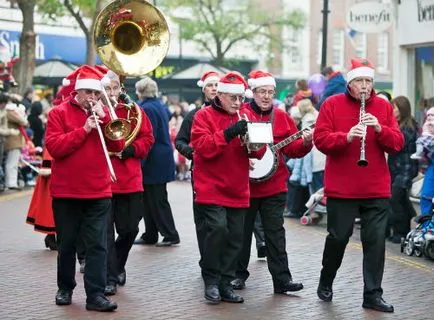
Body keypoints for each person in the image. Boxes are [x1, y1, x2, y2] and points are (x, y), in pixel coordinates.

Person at [314, 58, 404, 313]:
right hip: (343, 187)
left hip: (376, 187)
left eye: (368, 81)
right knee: (338, 237)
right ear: (350, 83)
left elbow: (396, 143)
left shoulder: (384, 107)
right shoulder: (332, 104)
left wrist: (379, 129)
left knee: (375, 242)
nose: (364, 86)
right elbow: (320, 140)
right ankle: (327, 278)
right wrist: (346, 137)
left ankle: (373, 294)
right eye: (359, 81)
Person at [45, 65, 123, 312]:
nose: (93, 98)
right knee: (67, 244)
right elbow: (55, 148)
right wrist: (85, 129)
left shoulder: (104, 113)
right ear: (77, 92)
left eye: (96, 93)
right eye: (88, 92)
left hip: (98, 190)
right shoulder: (58, 113)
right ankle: (65, 288)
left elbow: (118, 143)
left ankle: (96, 295)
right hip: (67, 192)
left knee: (98, 245)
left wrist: (106, 118)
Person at [231, 70, 312, 293]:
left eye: (270, 92)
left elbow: (292, 150)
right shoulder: (241, 115)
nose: (266, 96)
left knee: (275, 233)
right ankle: (238, 275)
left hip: (274, 186)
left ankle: (282, 280)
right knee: (241, 233)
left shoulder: (282, 117)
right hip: (245, 187)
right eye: (262, 92)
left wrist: (306, 143)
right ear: (252, 92)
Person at [191, 71, 266, 304]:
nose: (237, 103)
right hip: (211, 187)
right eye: (232, 98)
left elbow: (260, 152)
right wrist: (230, 133)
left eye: (240, 98)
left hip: (237, 187)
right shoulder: (203, 116)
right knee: (217, 230)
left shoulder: (244, 115)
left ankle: (225, 283)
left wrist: (253, 142)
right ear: (220, 95)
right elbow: (202, 147)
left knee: (236, 238)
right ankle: (211, 281)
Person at [101, 70, 154, 296]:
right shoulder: (95, 113)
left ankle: (118, 265)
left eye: (115, 88)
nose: (112, 93)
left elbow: (148, 138)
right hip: (104, 180)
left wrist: (131, 149)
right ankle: (110, 277)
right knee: (105, 233)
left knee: (130, 229)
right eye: (108, 89)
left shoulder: (135, 111)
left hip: (130, 179)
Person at [175, 70, 219, 265]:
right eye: (210, 85)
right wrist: (192, 153)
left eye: (218, 85)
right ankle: (206, 259)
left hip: (227, 174)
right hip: (201, 173)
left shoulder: (233, 113)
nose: (215, 89)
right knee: (203, 220)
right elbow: (180, 141)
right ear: (203, 89)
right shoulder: (194, 115)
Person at [134, 76, 180, 247]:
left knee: (157, 199)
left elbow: (148, 136)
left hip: (153, 159)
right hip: (162, 156)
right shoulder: (160, 105)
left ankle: (170, 234)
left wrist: (140, 163)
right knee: (151, 198)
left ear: (140, 91)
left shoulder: (145, 108)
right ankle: (150, 233)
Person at [387, 96, 418, 243]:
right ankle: (403, 226)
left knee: (395, 198)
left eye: (394, 108)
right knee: (400, 199)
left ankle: (401, 231)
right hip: (395, 169)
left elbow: (396, 145)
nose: (392, 111)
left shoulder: (408, 128)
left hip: (405, 170)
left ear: (402, 110)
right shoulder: (398, 125)